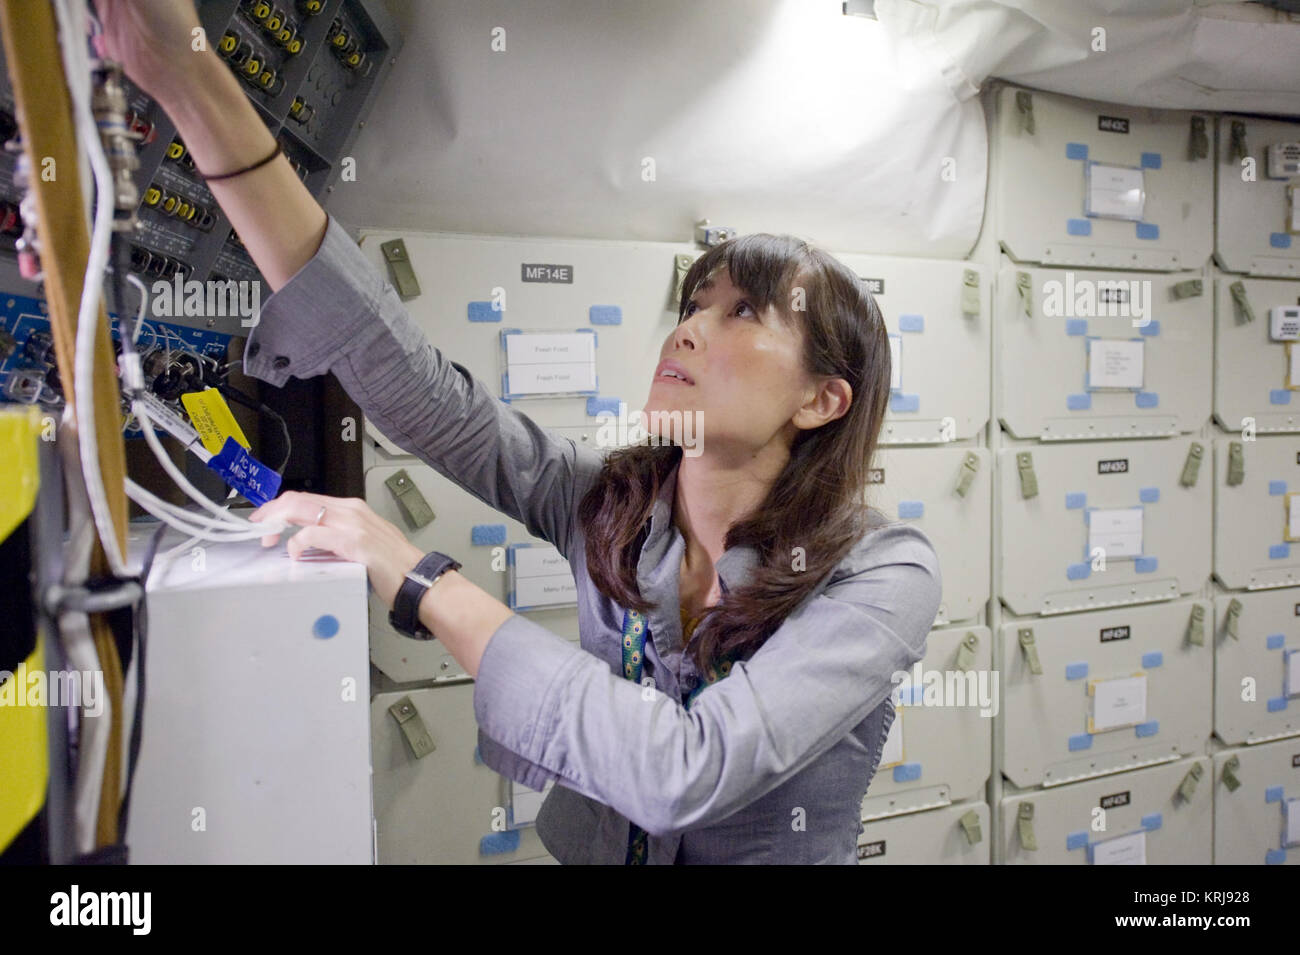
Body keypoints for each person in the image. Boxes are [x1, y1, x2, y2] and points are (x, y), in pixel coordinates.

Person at [97, 0, 942, 864]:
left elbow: (690, 770)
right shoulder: (610, 505)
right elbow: (417, 386)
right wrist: (190, 78)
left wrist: (425, 580)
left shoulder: (879, 573)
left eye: (742, 314)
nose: (686, 328)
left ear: (821, 400)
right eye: (692, 305)